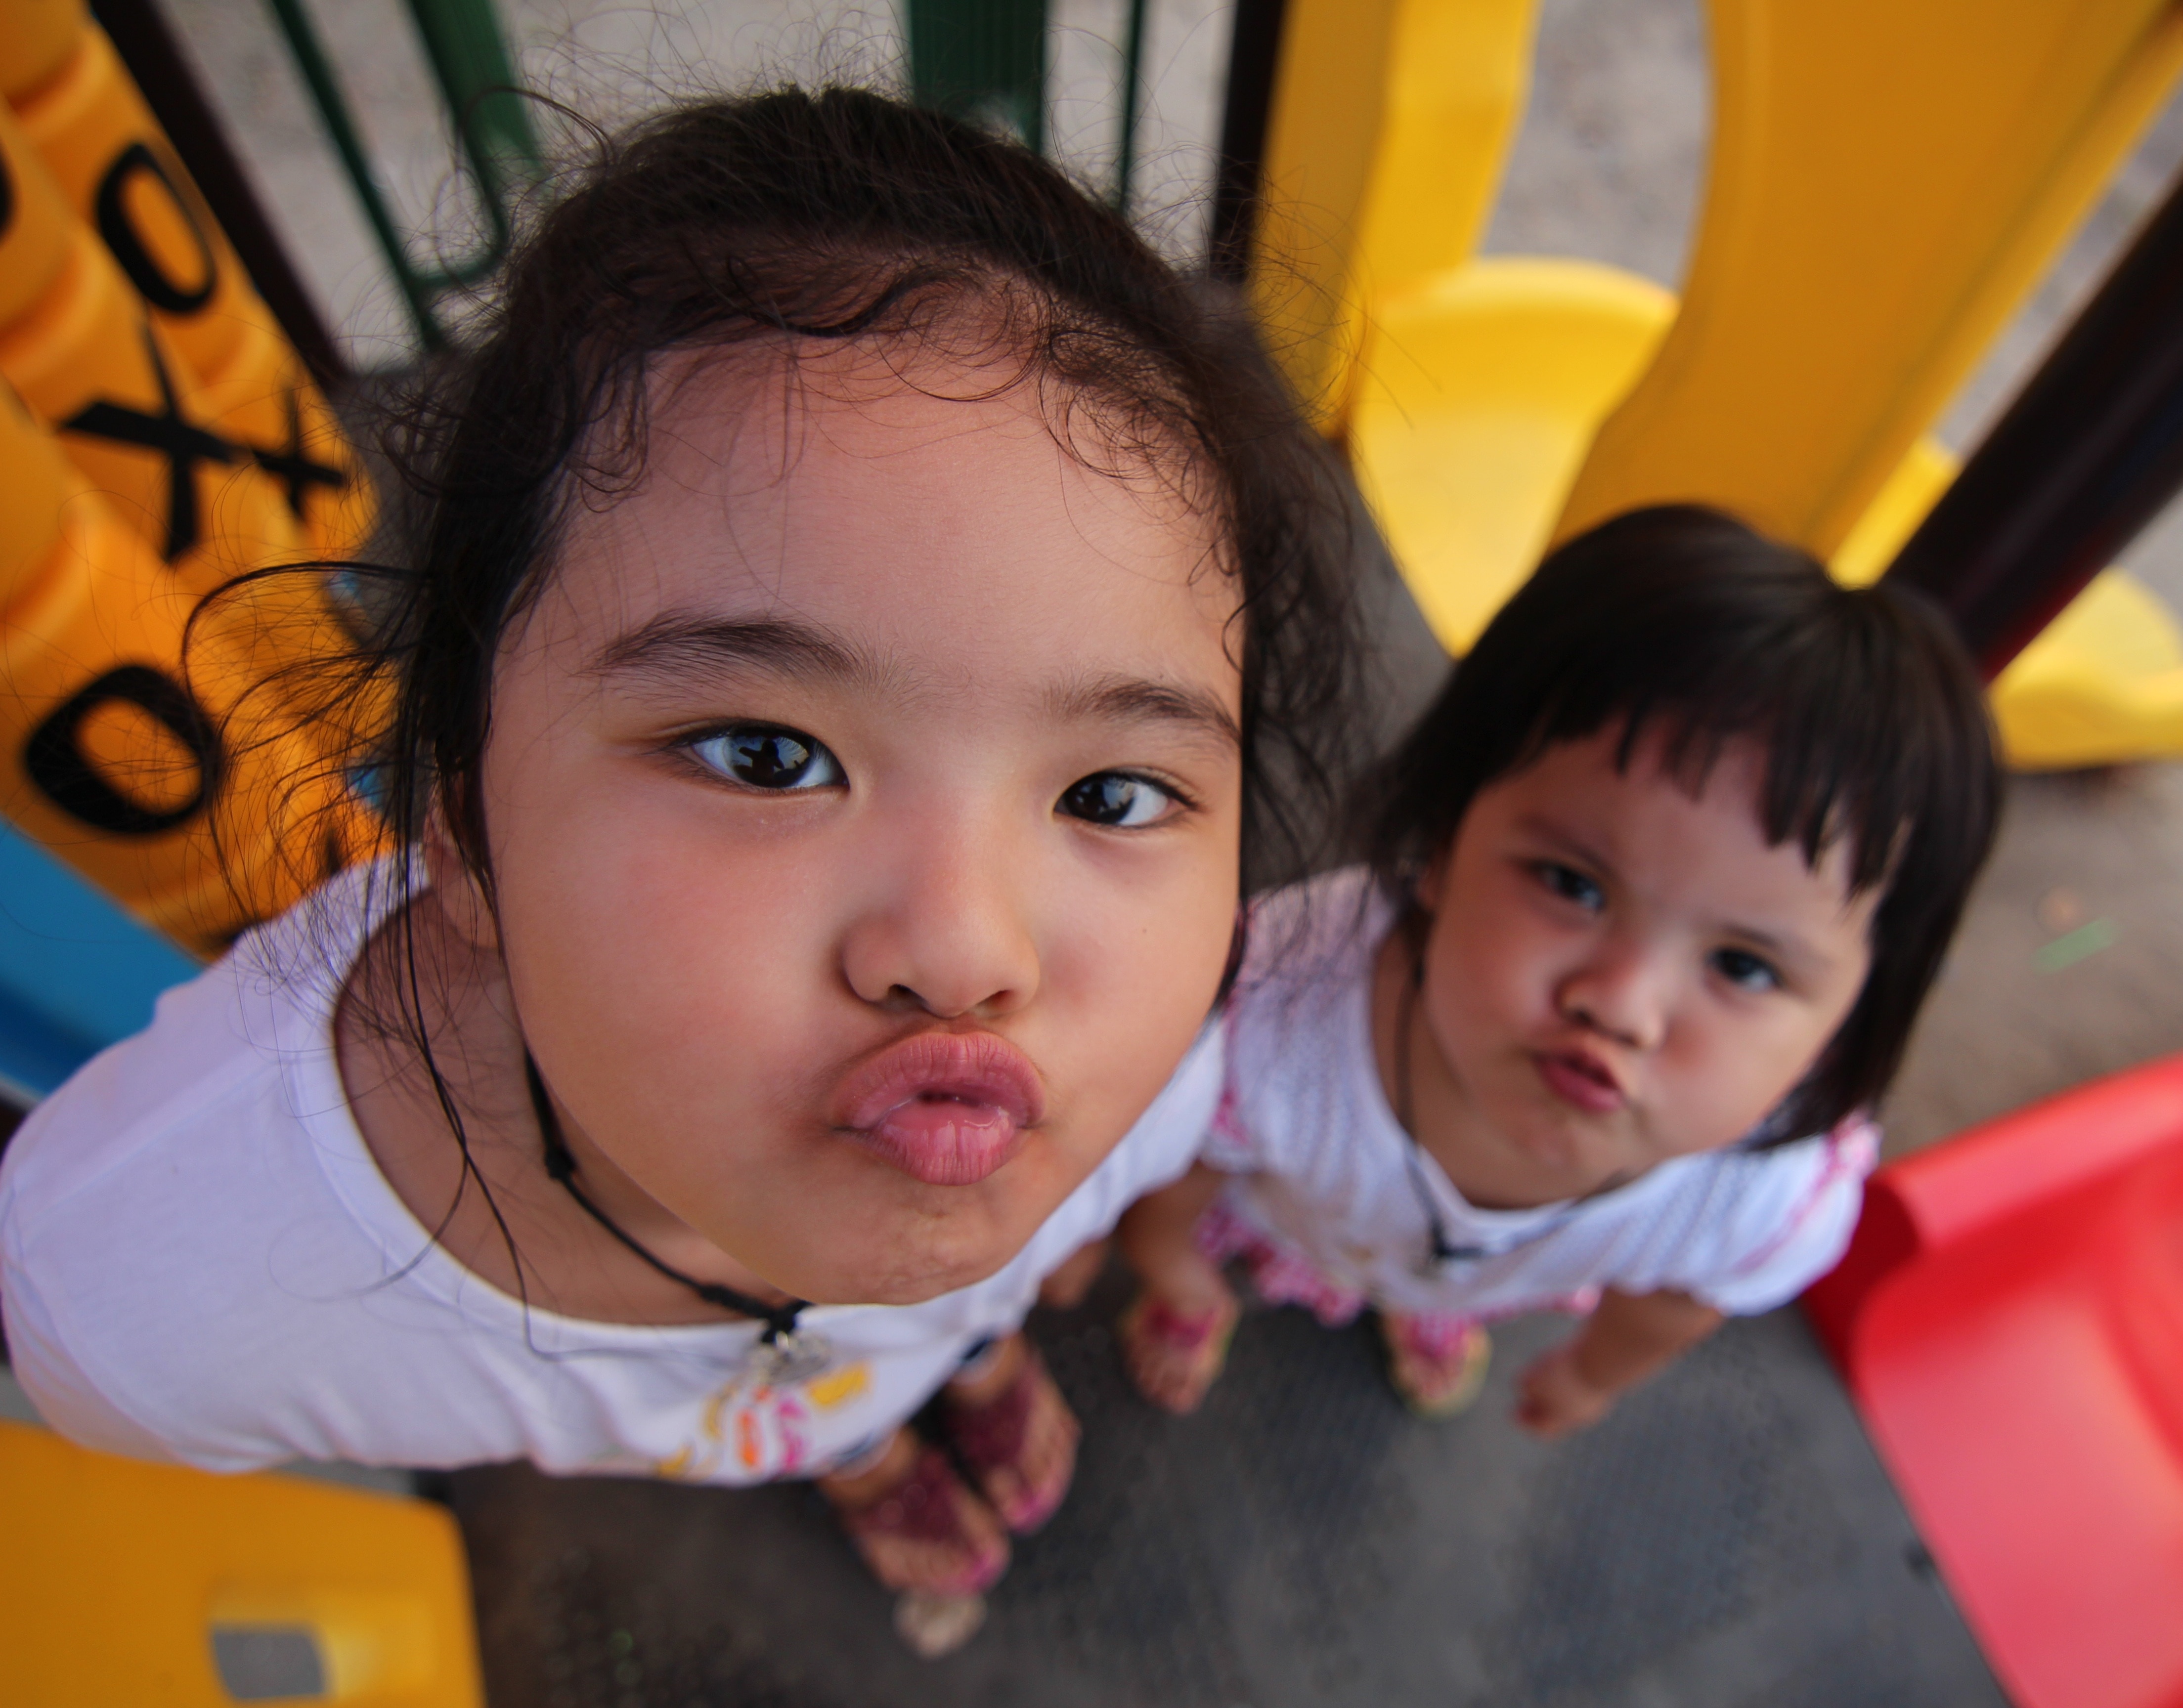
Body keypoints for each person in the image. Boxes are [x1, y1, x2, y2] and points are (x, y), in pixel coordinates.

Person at [0, 85, 1365, 1646]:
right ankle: (849, 1449)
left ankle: (942, 1371)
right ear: (460, 818)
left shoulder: (1174, 1041)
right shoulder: (149, 1292)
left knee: (934, 1313)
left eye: (1115, 793)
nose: (973, 950)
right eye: (769, 757)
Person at [1113, 506, 2000, 1431]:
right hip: (1290, 1211)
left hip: (1486, 1273)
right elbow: (1193, 1155)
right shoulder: (1276, 1010)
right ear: (1446, 838)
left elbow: (1675, 1301)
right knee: (1233, 1252)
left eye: (1743, 965)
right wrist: (1169, 1260)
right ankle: (1206, 1301)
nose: (1622, 1005)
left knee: (1441, 1284)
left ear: (1851, 1017)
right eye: (1573, 885)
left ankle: (1429, 1305)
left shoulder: (1758, 1193)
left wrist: (1591, 1377)